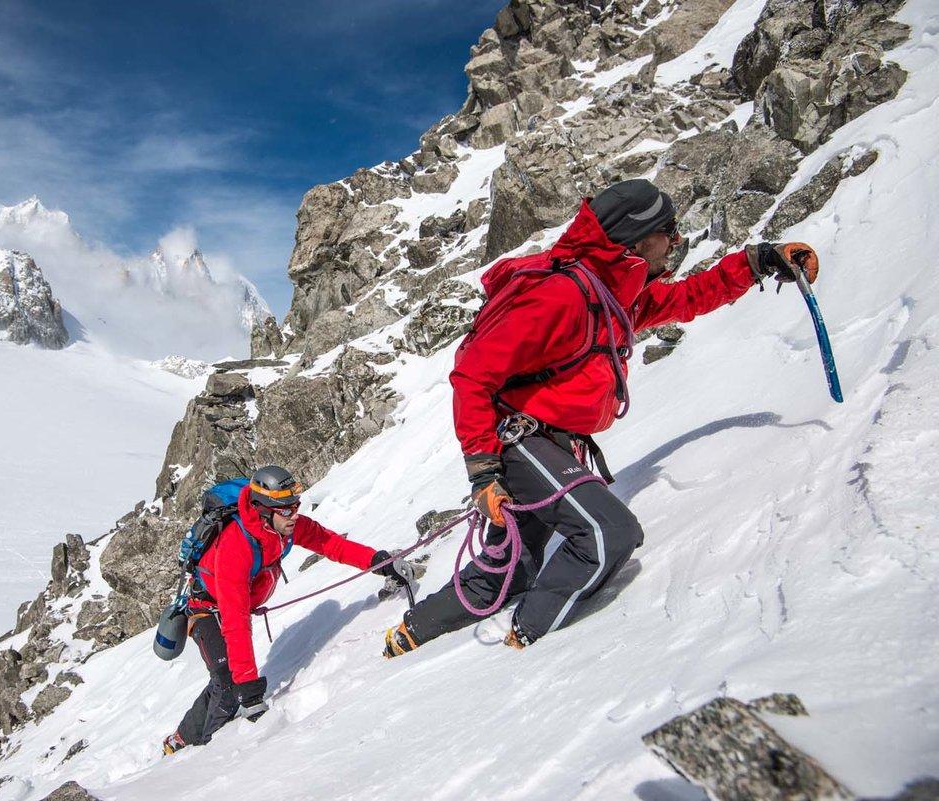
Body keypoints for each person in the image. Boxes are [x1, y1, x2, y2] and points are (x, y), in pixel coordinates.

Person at [383, 178, 820, 657]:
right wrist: (484, 472)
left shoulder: (612, 294)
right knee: (607, 533)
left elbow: (687, 298)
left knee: (511, 569)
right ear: (635, 241)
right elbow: (472, 376)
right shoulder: (562, 296)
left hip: (546, 442)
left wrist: (757, 262)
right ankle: (523, 648)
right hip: (521, 443)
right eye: (666, 230)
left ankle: (411, 633)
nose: (676, 240)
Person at [163, 465, 416, 754]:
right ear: (262, 509)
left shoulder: (283, 527)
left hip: (235, 603)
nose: (294, 514)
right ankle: (202, 750)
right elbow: (235, 622)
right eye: (285, 510)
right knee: (227, 681)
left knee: (225, 678)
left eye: (295, 506)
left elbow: (330, 543)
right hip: (206, 608)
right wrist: (249, 689)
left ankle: (183, 737)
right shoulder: (236, 546)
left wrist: (380, 561)